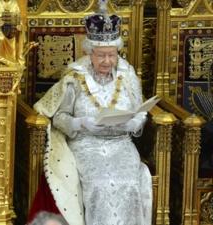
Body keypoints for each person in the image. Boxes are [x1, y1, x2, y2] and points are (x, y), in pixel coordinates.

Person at [28, 2, 152, 225]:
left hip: (121, 143)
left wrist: (135, 123)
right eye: (101, 55)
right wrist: (81, 123)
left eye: (112, 55)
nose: (107, 61)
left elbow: (140, 110)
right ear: (90, 52)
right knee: (99, 183)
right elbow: (59, 117)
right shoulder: (75, 77)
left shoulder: (127, 74)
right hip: (87, 144)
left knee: (129, 182)